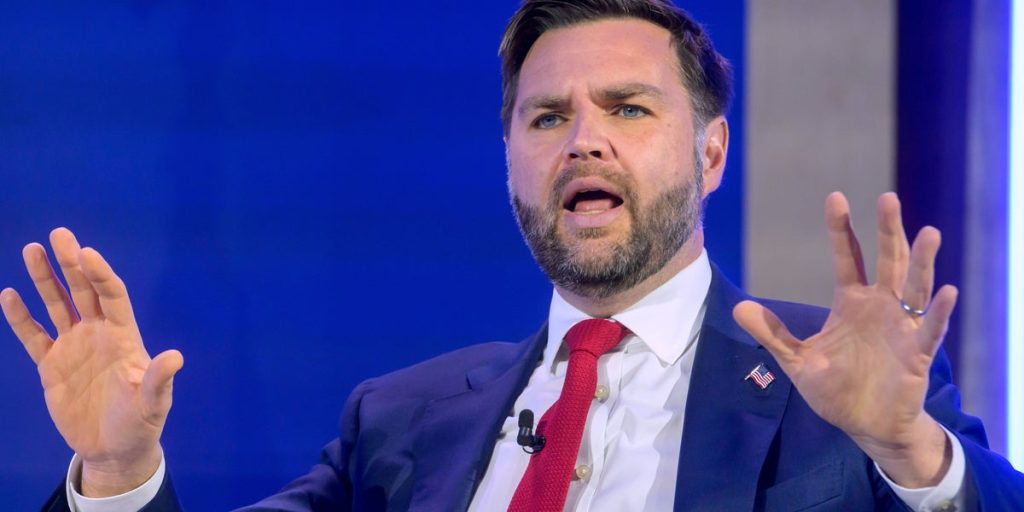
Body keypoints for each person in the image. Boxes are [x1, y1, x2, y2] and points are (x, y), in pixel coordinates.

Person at [3, 0, 1022, 510]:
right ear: (510, 162)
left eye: (628, 109)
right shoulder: (397, 423)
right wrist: (118, 472)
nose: (583, 139)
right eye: (546, 117)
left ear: (711, 154)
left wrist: (910, 455)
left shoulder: (832, 387)